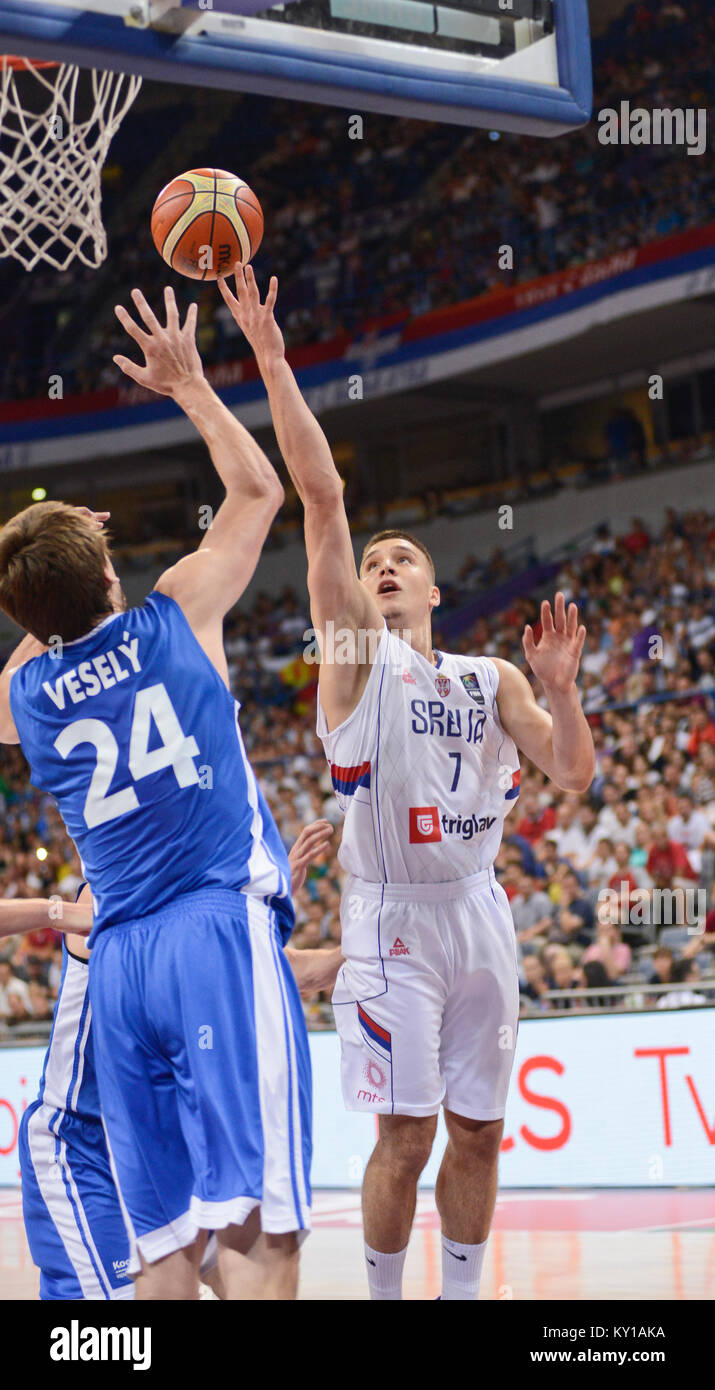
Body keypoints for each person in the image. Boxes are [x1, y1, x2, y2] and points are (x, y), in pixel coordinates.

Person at [218, 266, 595, 1302]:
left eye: (403, 559)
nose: (381, 565)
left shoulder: (492, 676)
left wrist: (562, 694)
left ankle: (461, 1298)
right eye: (374, 558)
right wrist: (272, 357)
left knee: (478, 1129)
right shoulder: (352, 655)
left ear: (435, 589)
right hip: (386, 917)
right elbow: (325, 497)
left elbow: (570, 774)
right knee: (407, 1129)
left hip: (479, 910)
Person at [0, 287, 309, 1301]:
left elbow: (41, 610)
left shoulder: (28, 692)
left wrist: (46, 572)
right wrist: (188, 389)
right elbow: (260, 491)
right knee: (261, 1230)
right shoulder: (177, 610)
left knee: (169, 1249)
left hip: (120, 965)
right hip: (213, 928)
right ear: (109, 570)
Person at [5, 824, 339, 1301]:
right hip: (81, 1142)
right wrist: (57, 913)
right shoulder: (105, 897)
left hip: (155, 1141)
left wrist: (364, 953)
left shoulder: (184, 912)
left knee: (251, 1277)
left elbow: (292, 968)